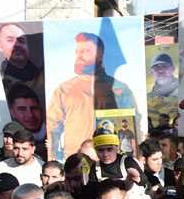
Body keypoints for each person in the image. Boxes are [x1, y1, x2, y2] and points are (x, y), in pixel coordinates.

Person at [47, 32, 139, 160]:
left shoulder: (119, 89)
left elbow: (135, 126)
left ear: (100, 55)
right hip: (76, 162)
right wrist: (52, 159)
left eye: (86, 51)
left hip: (111, 162)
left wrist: (135, 157)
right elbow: (53, 129)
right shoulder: (64, 90)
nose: (80, 55)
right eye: (77, 51)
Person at [0, 23, 43, 100]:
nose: (17, 44)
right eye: (10, 40)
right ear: (0, 47)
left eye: (21, 40)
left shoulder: (43, 73)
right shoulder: (0, 80)